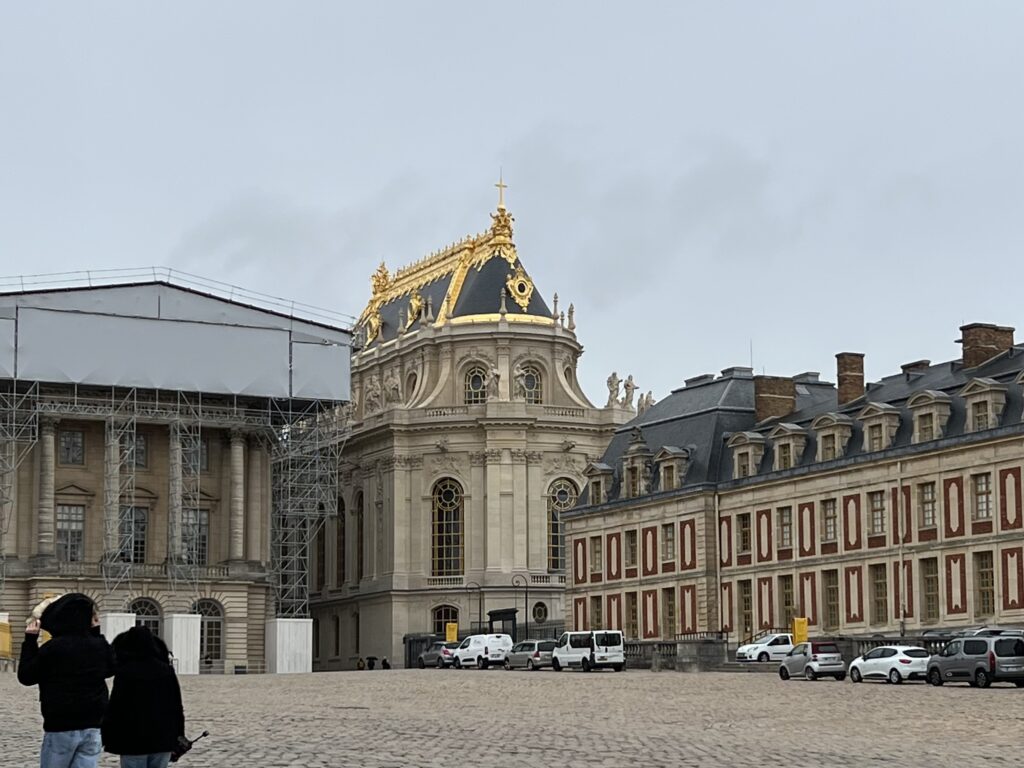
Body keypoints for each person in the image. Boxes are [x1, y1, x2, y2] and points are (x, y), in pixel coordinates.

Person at [17, 593, 116, 768]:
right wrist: (95, 633)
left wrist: (30, 641)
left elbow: (26, 676)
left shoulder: (53, 648)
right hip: (93, 722)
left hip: (61, 723)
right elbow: (110, 669)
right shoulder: (98, 645)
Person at [102, 626, 185, 768]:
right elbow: (176, 705)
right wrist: (178, 733)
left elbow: (116, 706)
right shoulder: (166, 670)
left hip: (132, 738)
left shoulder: (125, 672)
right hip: (162, 736)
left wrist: (108, 734)